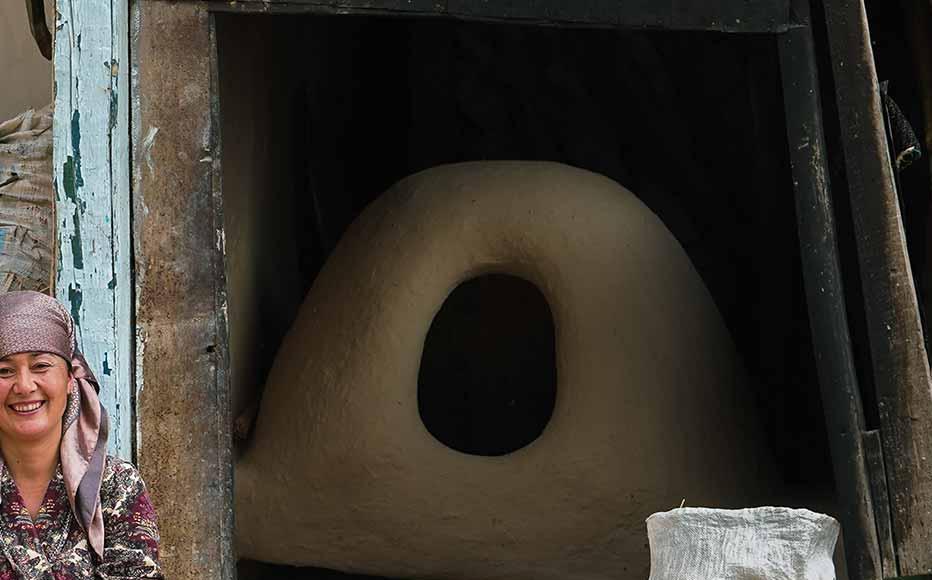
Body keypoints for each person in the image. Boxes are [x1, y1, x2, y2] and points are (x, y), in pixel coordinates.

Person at [0, 291, 161, 578]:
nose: (24, 386)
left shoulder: (115, 485)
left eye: (41, 366)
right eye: (4, 371)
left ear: (70, 380)